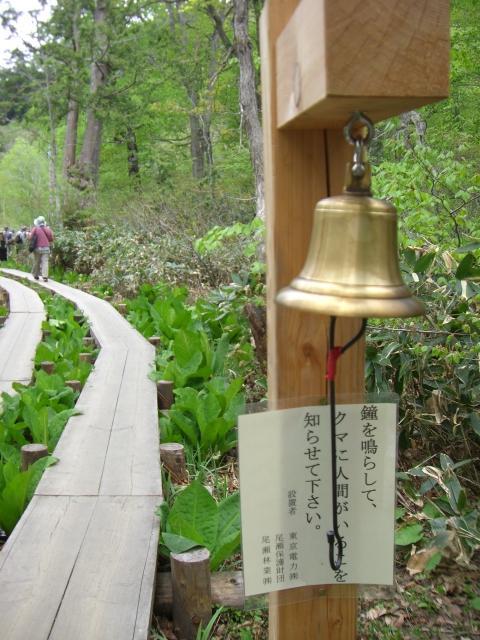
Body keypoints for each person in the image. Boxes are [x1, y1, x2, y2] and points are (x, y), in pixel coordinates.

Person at [30, 216, 54, 281]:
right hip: (46, 247)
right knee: (45, 262)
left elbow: (30, 237)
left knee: (37, 261)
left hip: (37, 248)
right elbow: (51, 239)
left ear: (37, 222)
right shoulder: (47, 229)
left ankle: (36, 275)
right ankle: (45, 276)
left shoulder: (35, 228)